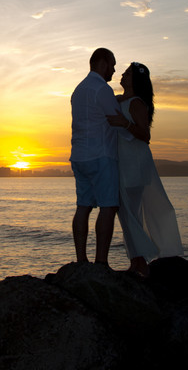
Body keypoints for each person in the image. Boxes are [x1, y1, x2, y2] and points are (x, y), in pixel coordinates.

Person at [108, 61, 183, 278]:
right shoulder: (118, 100)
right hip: (121, 163)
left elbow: (145, 135)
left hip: (134, 164)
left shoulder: (136, 103)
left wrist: (124, 123)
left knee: (129, 212)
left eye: (128, 73)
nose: (123, 74)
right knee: (126, 214)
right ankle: (137, 261)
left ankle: (140, 263)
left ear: (136, 79)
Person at [70, 47, 123, 265]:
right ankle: (101, 262)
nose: (114, 70)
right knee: (108, 207)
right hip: (101, 155)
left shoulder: (78, 90)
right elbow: (116, 119)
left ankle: (81, 260)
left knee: (83, 206)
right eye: (112, 65)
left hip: (79, 155)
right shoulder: (102, 89)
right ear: (102, 63)